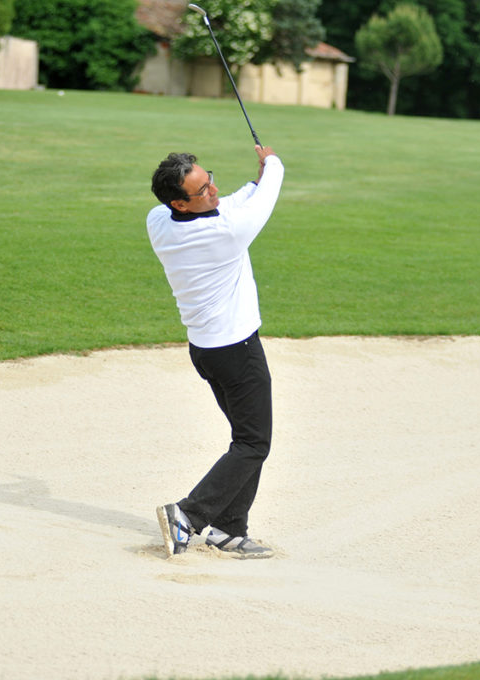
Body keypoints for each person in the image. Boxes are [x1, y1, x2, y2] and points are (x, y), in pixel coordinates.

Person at [147, 145, 284, 559]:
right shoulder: (225, 234)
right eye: (202, 189)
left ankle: (229, 529)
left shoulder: (158, 220)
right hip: (237, 351)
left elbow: (232, 204)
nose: (214, 190)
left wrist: (253, 182)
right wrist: (271, 164)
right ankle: (187, 515)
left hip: (207, 351)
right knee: (254, 443)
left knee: (246, 439)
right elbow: (265, 197)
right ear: (180, 203)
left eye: (210, 180)